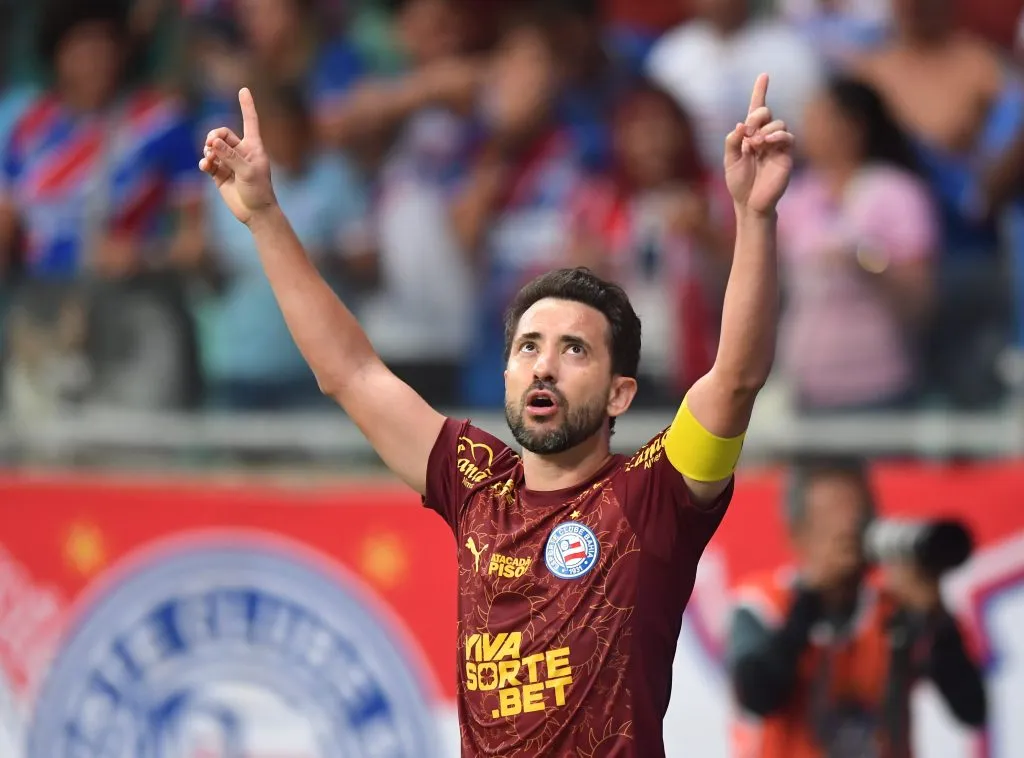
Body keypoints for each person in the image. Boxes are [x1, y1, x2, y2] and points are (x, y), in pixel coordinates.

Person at [198, 73, 793, 756]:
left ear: (620, 395)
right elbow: (352, 373)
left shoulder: (654, 494)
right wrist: (266, 218)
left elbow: (738, 378)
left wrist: (754, 216)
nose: (543, 365)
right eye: (529, 347)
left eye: (574, 350)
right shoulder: (474, 482)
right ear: (506, 372)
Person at [728, 458, 986, 758]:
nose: (847, 529)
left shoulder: (895, 608)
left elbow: (971, 709)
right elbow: (756, 697)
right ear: (797, 535)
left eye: (858, 517)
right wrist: (812, 597)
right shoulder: (764, 604)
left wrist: (936, 619)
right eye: (829, 519)